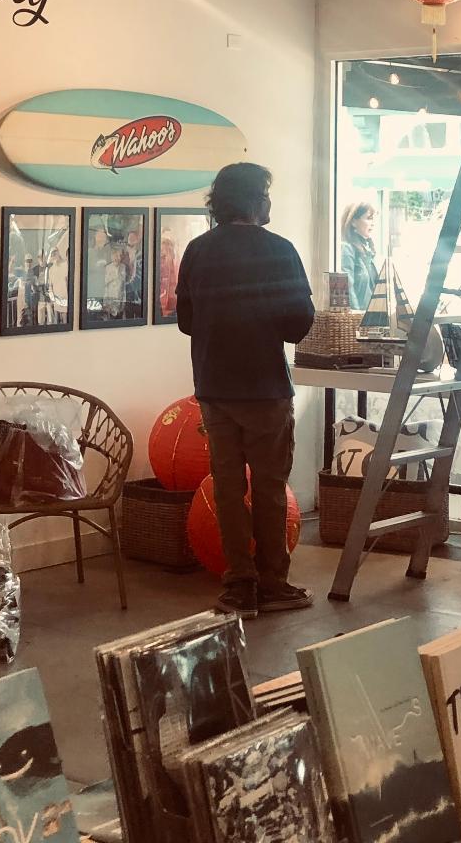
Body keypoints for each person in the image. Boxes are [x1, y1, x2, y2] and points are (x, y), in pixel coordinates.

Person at [176, 161, 315, 618]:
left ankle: (239, 587)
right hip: (265, 389)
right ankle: (273, 582)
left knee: (228, 488)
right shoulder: (279, 251)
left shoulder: (198, 250)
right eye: (267, 195)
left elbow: (186, 322)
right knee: (271, 489)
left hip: (214, 387)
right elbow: (299, 326)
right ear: (256, 201)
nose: (270, 203)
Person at [339, 201, 378, 312]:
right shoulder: (347, 249)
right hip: (358, 321)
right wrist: (357, 317)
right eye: (369, 218)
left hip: (372, 319)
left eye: (374, 218)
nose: (373, 223)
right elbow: (347, 289)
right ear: (353, 222)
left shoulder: (368, 250)